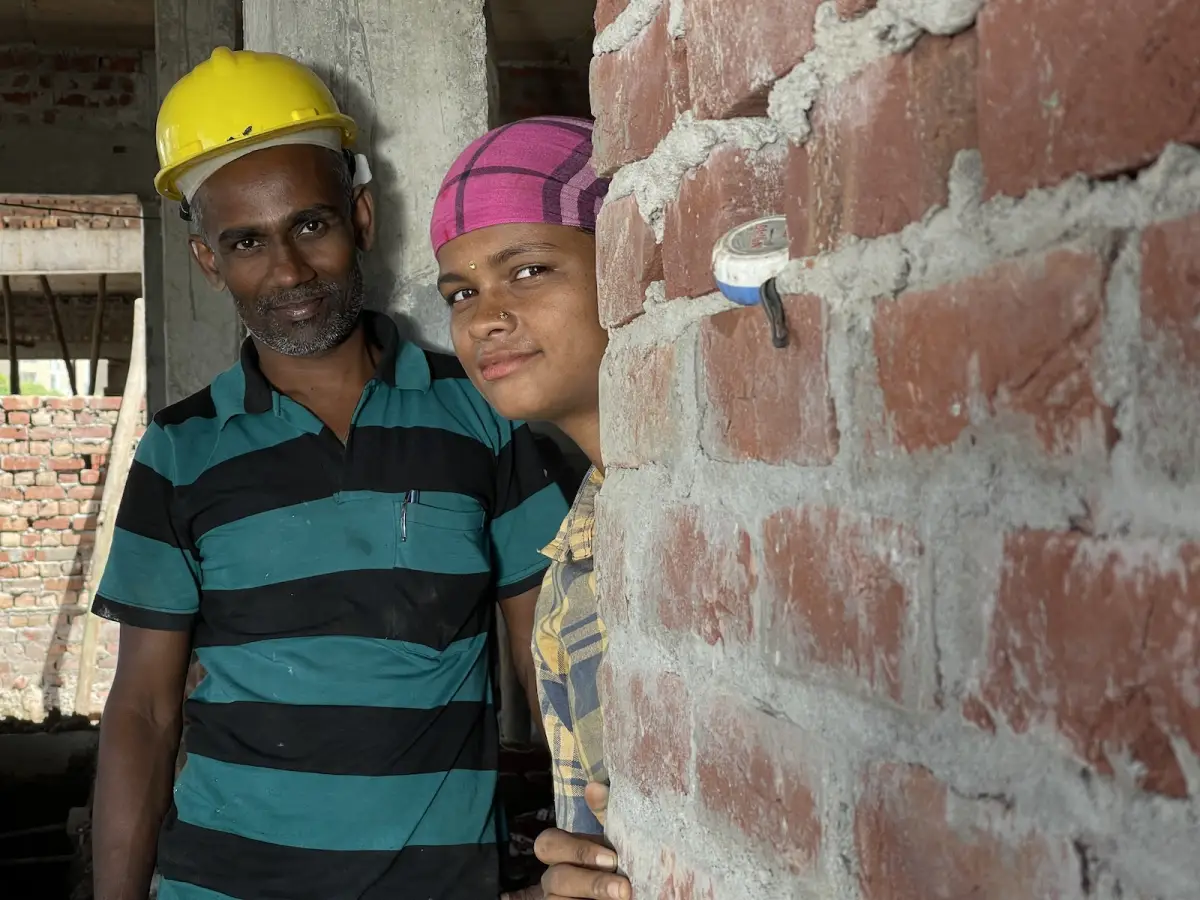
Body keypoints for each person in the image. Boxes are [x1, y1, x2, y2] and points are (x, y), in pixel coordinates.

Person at [91, 49, 567, 900]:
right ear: (208, 262)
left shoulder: (482, 414)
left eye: (310, 225)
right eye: (246, 242)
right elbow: (144, 711)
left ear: (361, 217)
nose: (288, 271)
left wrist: (584, 844)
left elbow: (552, 661)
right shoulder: (179, 452)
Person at [431, 117, 631, 900]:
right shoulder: (573, 558)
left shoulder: (745, 513)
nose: (485, 317)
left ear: (622, 263)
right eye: (461, 292)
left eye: (529, 269)